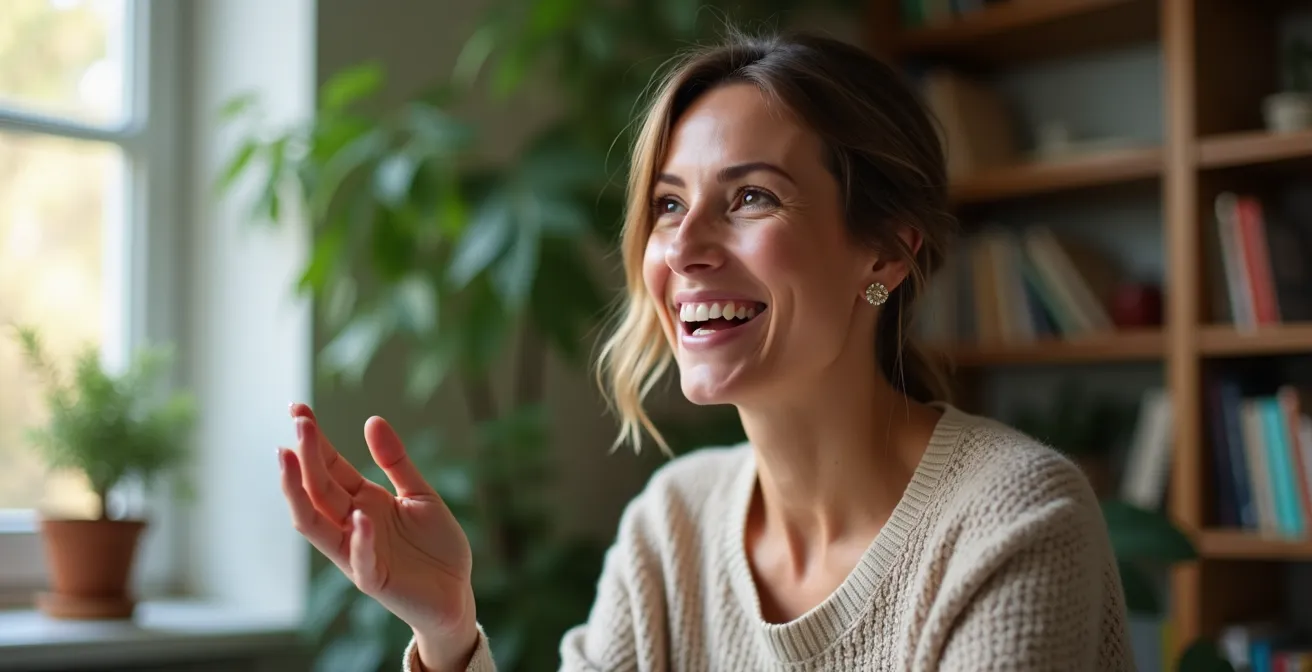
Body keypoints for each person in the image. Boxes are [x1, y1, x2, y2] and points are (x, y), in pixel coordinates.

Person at [276, 31, 1134, 672]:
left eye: (752, 196)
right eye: (669, 205)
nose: (684, 248)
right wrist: (449, 631)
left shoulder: (1014, 521)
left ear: (885, 253)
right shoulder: (673, 523)